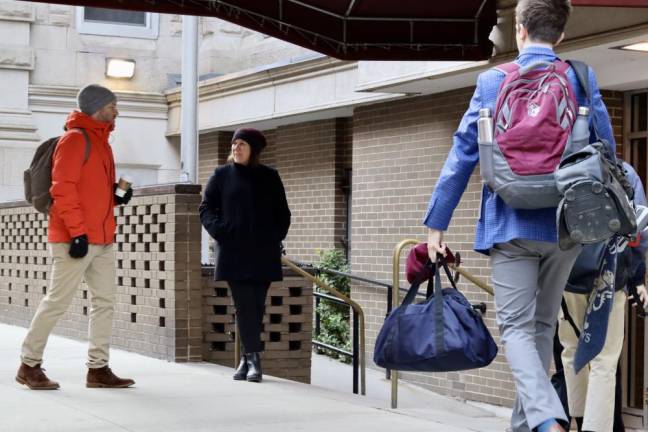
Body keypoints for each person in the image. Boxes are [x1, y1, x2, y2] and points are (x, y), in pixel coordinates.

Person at [423, 1, 616, 431]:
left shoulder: (492, 81)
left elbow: (463, 154)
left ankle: (547, 422)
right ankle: (524, 425)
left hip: (508, 222)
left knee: (515, 327)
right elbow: (607, 151)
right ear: (561, 35)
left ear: (519, 29)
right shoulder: (580, 77)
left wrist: (436, 224)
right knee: (541, 325)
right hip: (564, 225)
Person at [17, 84, 135, 390]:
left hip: (103, 239)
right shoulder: (74, 140)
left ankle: (98, 369)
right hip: (74, 238)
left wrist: (116, 197)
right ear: (97, 108)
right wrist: (78, 234)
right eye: (112, 105)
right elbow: (63, 189)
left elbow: (91, 192)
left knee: (105, 302)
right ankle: (28, 365)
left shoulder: (103, 144)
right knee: (57, 301)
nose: (116, 111)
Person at [558, 162, 648, 432]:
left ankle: (580, 419)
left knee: (571, 350)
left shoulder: (561, 166)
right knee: (604, 359)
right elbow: (639, 226)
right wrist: (637, 278)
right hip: (609, 272)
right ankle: (596, 427)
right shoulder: (621, 170)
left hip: (566, 272)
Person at [199, 127, 291, 383]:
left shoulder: (270, 177)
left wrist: (274, 236)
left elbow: (283, 214)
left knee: (256, 306)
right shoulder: (221, 175)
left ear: (254, 149)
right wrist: (221, 231)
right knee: (243, 303)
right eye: (234, 144)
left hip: (262, 251)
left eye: (241, 144)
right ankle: (254, 359)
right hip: (233, 251)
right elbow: (206, 208)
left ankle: (244, 359)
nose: (236, 148)